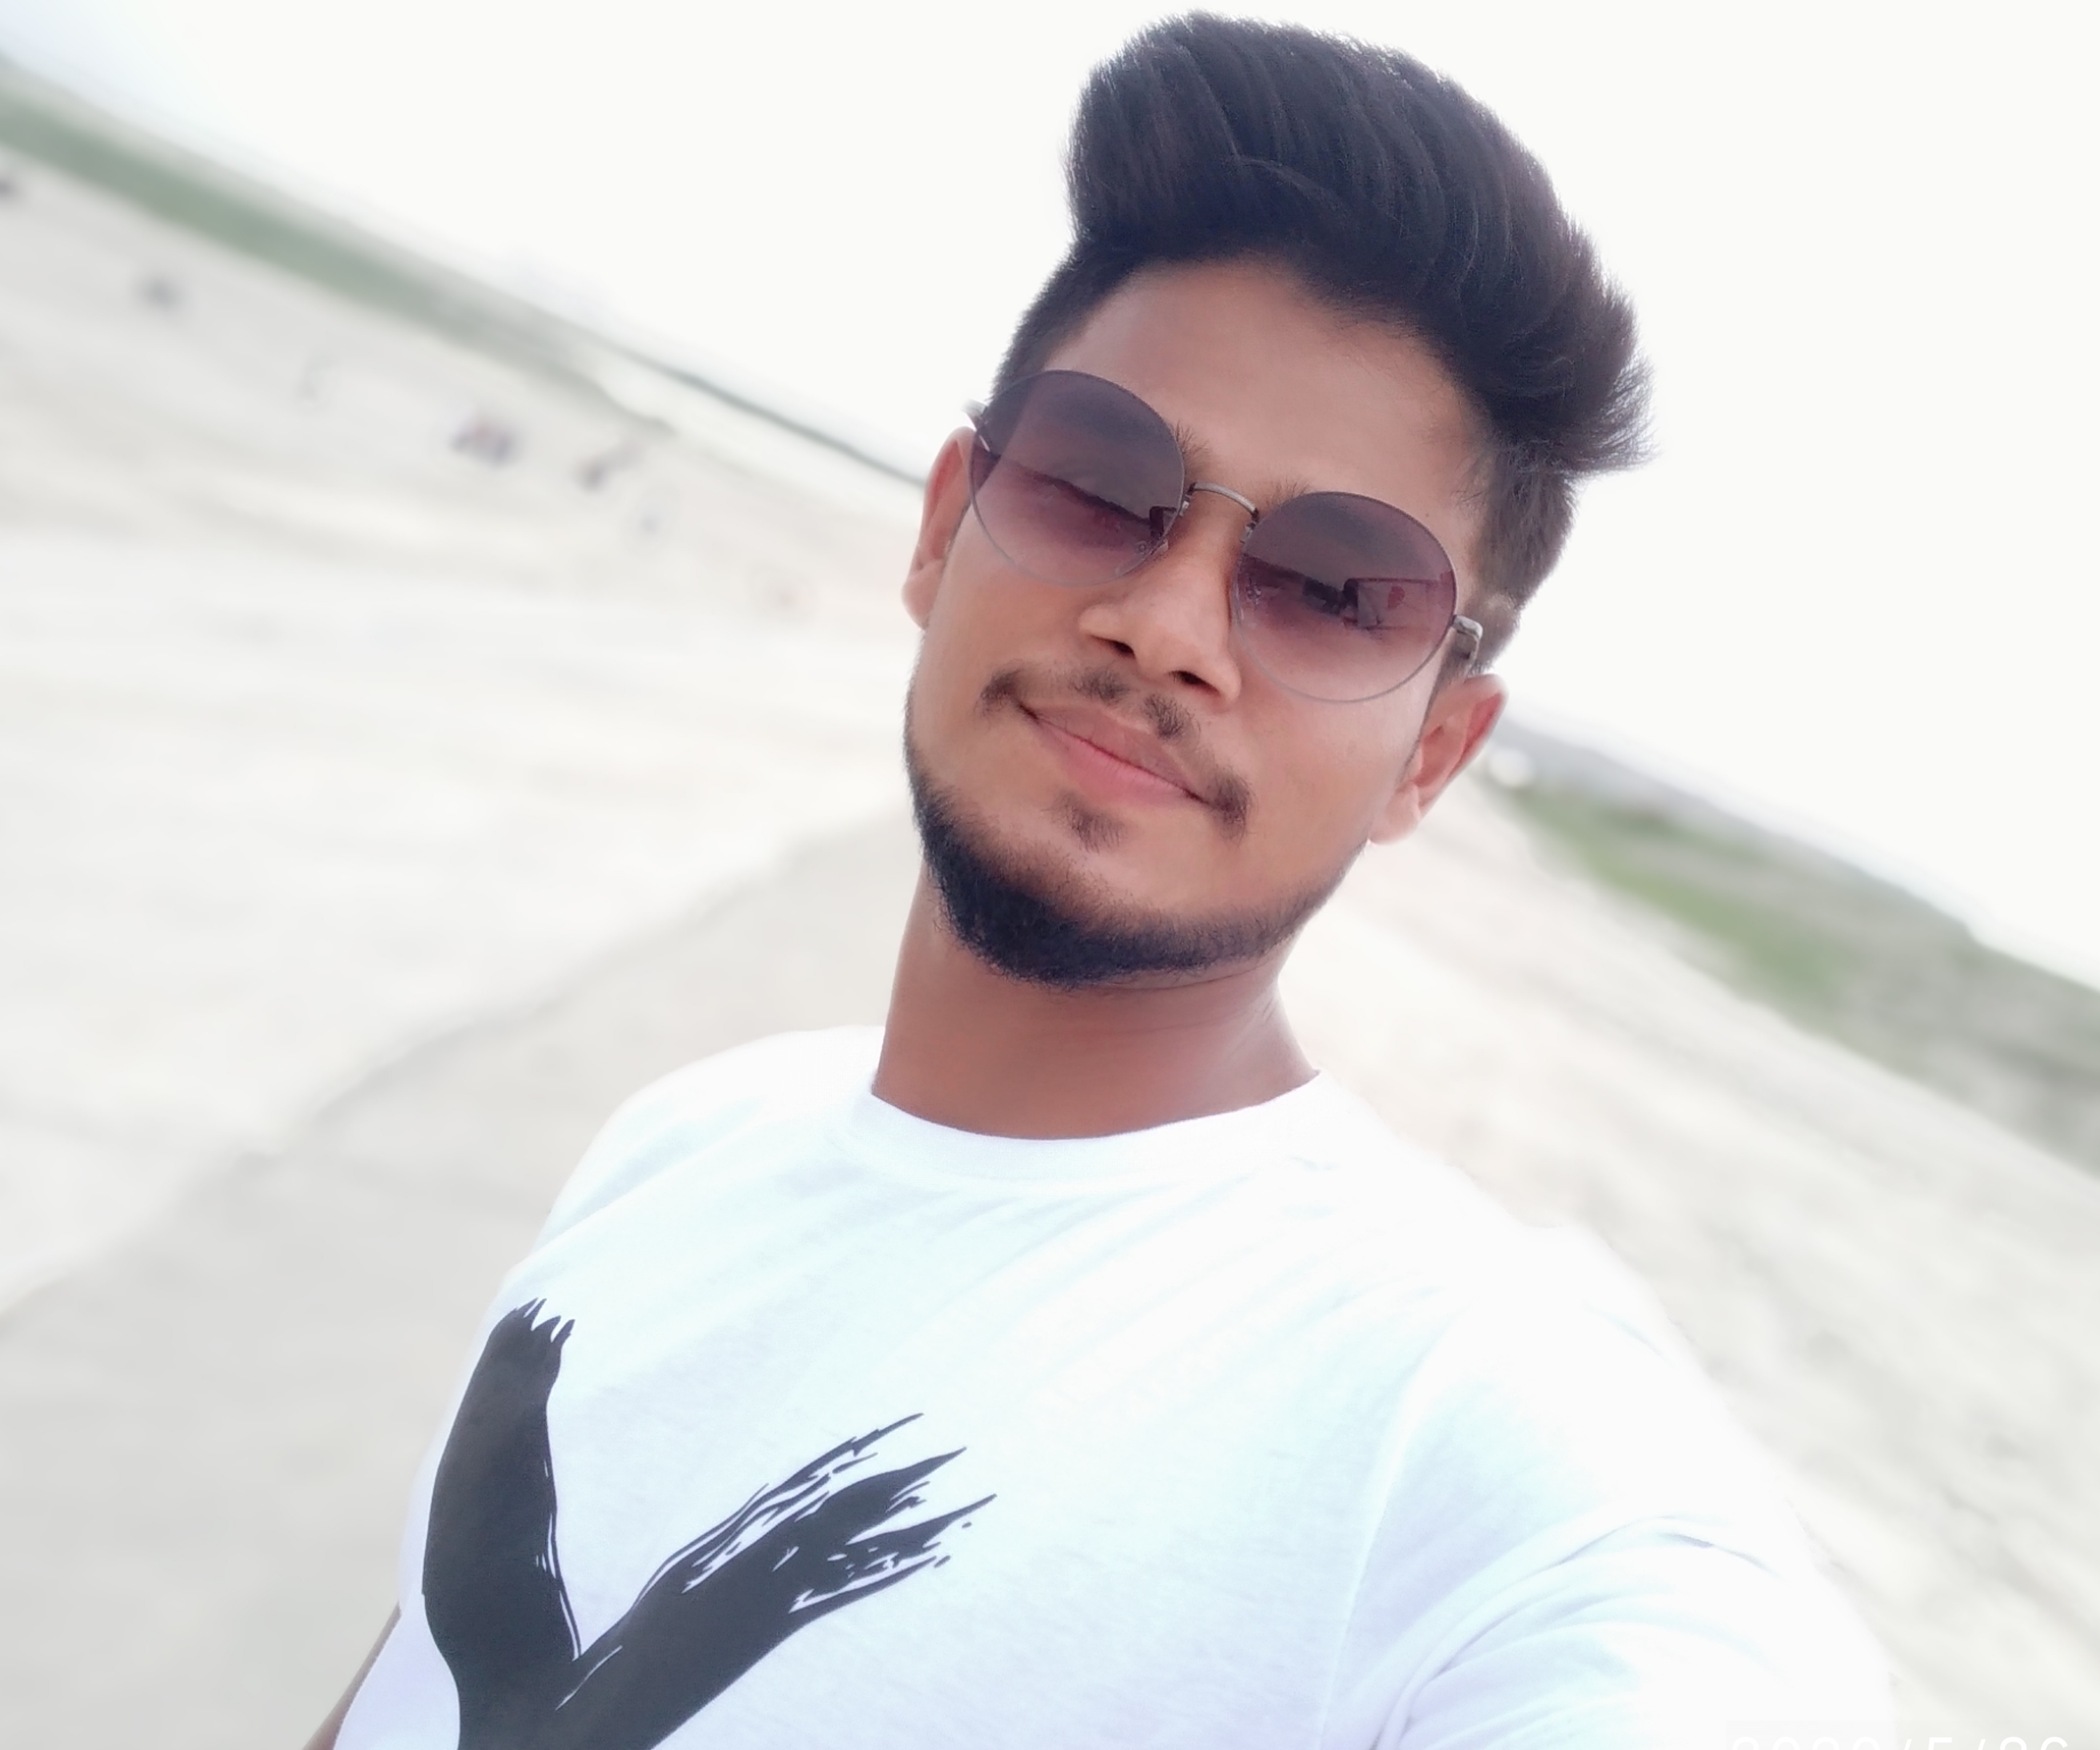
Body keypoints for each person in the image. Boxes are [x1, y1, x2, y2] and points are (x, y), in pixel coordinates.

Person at [314, 15, 1888, 1748]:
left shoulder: (1463, 1443)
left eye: (1337, 589)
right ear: (944, 528)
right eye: (1100, 481)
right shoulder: (681, 1142)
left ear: (1433, 755)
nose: (1167, 622)